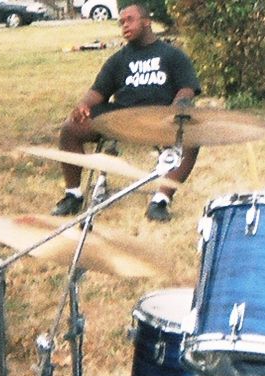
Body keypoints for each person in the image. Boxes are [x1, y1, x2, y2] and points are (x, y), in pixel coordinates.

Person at [51, 3, 201, 222]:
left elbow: (187, 88)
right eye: (121, 22)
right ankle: (73, 195)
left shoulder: (172, 55)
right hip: (121, 118)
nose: (125, 25)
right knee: (70, 128)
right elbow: (98, 91)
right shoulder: (118, 60)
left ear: (147, 21)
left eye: (130, 19)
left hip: (160, 118)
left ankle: (160, 200)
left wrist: (178, 106)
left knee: (192, 137)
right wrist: (83, 105)